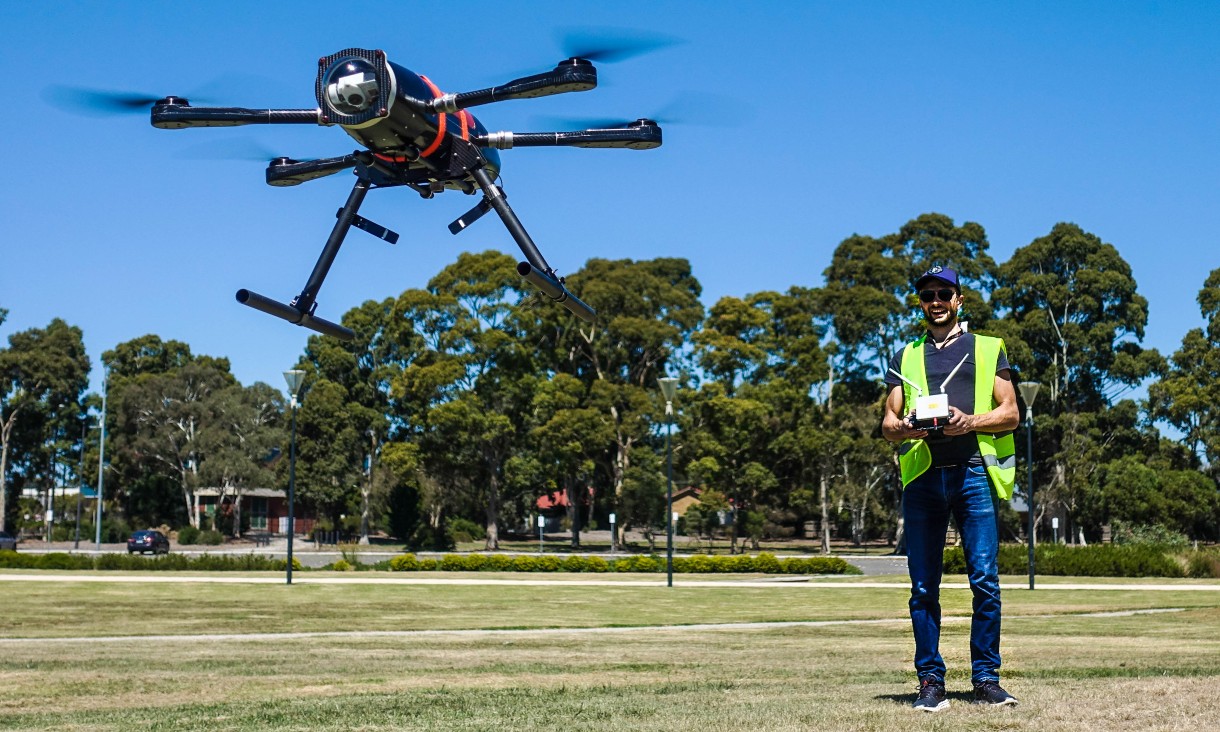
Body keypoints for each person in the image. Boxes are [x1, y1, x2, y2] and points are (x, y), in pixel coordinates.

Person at [881, 265, 1020, 712]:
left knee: (985, 580)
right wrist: (900, 430)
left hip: (973, 473)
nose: (935, 301)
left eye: (943, 293)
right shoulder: (905, 356)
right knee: (923, 586)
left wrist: (970, 422)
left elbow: (1012, 413)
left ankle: (986, 679)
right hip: (922, 479)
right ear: (921, 304)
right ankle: (930, 682)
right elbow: (887, 422)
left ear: (959, 299)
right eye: (927, 295)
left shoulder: (988, 348)